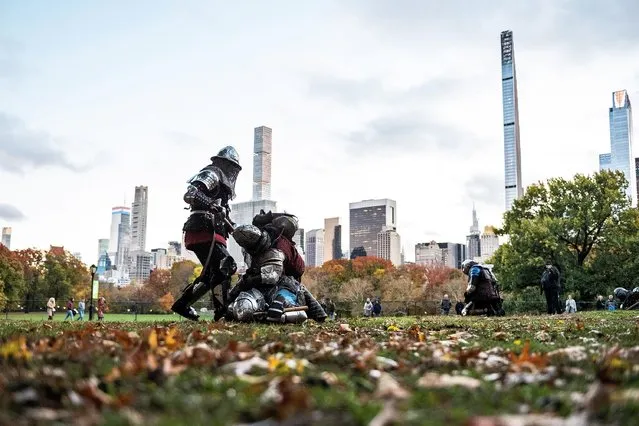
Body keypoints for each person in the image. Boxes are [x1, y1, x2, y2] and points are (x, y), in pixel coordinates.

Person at [171, 146, 242, 321]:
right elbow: (191, 194)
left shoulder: (223, 189)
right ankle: (221, 313)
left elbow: (222, 213)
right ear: (223, 163)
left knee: (213, 273)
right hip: (202, 229)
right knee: (226, 265)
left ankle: (182, 305)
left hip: (215, 233)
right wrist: (210, 203)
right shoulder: (212, 173)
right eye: (230, 165)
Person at [227, 224, 326, 323]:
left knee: (284, 304)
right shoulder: (248, 251)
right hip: (260, 287)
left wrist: (251, 280)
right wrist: (233, 293)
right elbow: (251, 273)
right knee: (242, 306)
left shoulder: (276, 249)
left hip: (283, 284)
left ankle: (283, 311)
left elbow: (273, 276)